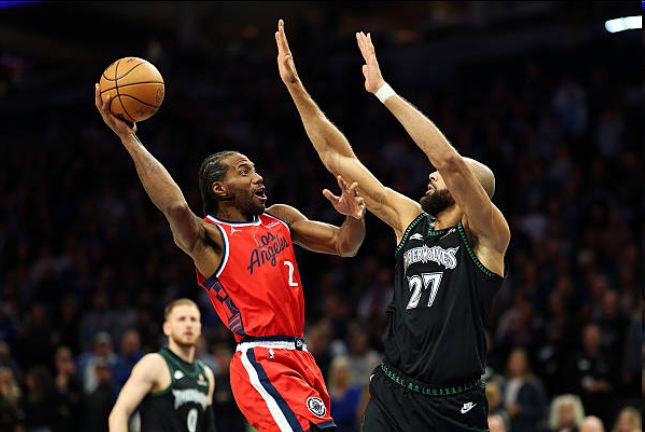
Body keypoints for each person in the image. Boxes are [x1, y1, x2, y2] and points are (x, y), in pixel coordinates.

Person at [276, 19, 510, 432]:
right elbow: (338, 158)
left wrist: (383, 91)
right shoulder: (411, 220)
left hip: (453, 403)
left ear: (470, 192)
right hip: (394, 391)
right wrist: (295, 87)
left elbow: (449, 162)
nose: (432, 175)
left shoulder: (488, 237)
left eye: (445, 178)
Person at [95, 80, 366, 432]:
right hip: (261, 358)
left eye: (254, 169)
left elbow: (345, 244)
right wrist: (129, 139)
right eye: (244, 171)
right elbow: (175, 206)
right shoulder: (210, 238)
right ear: (220, 189)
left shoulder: (280, 219)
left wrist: (354, 216)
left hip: (301, 356)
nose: (258, 177)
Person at [108, 299, 215, 432]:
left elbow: (209, 428)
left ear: (200, 328)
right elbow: (119, 413)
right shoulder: (154, 364)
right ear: (167, 328)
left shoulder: (206, 374)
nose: (188, 325)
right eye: (181, 319)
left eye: (193, 320)